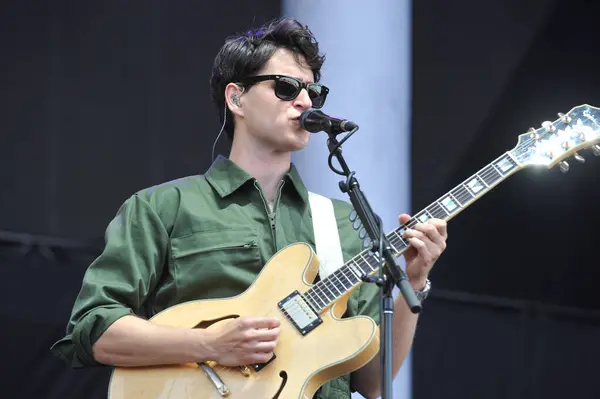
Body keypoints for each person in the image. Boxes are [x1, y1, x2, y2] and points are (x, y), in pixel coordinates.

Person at [51, 17, 448, 399]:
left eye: (314, 91)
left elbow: (372, 382)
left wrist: (413, 279)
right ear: (236, 97)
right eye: (286, 87)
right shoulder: (162, 207)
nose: (306, 101)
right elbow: (95, 328)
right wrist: (209, 343)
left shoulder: (342, 223)